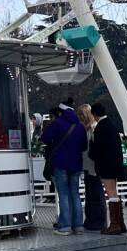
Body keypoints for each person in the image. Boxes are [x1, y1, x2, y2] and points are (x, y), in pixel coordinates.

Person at [40, 101, 87, 236]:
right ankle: (78, 225)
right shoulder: (79, 125)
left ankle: (65, 225)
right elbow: (84, 146)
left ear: (60, 112)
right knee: (75, 194)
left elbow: (45, 138)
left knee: (64, 194)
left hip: (60, 164)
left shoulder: (57, 123)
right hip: (76, 164)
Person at [90, 102, 127, 235]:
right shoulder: (111, 124)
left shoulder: (101, 127)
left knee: (110, 193)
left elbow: (97, 149)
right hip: (115, 163)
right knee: (114, 193)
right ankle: (120, 223)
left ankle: (115, 225)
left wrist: (91, 149)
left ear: (94, 114)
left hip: (106, 165)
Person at [78, 105, 107, 232]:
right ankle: (91, 219)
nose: (79, 117)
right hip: (87, 165)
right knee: (91, 193)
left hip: (93, 166)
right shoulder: (87, 129)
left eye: (81, 115)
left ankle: (99, 220)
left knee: (96, 193)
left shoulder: (93, 128)